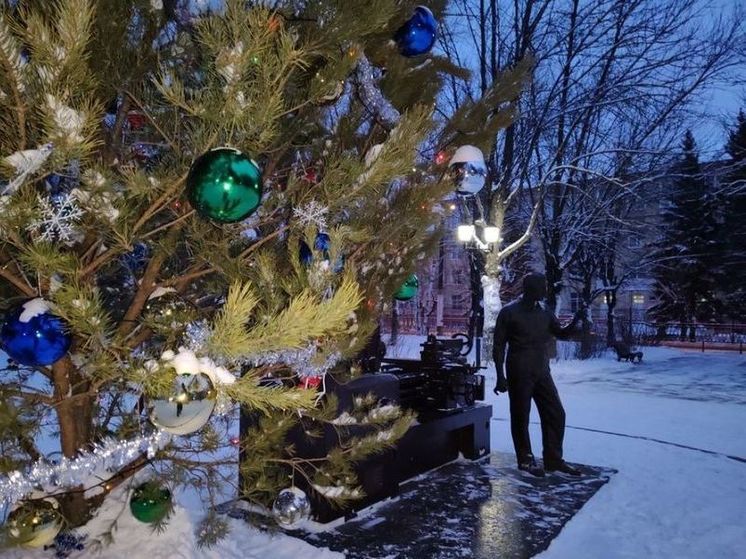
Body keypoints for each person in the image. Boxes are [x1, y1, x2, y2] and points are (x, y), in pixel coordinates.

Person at [492, 273, 585, 477]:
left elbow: (560, 333)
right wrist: (500, 376)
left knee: (556, 413)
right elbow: (498, 345)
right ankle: (525, 459)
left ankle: (553, 459)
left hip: (542, 370)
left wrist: (577, 321)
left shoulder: (544, 312)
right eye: (542, 286)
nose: (545, 290)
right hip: (519, 370)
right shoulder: (509, 313)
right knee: (521, 416)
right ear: (531, 288)